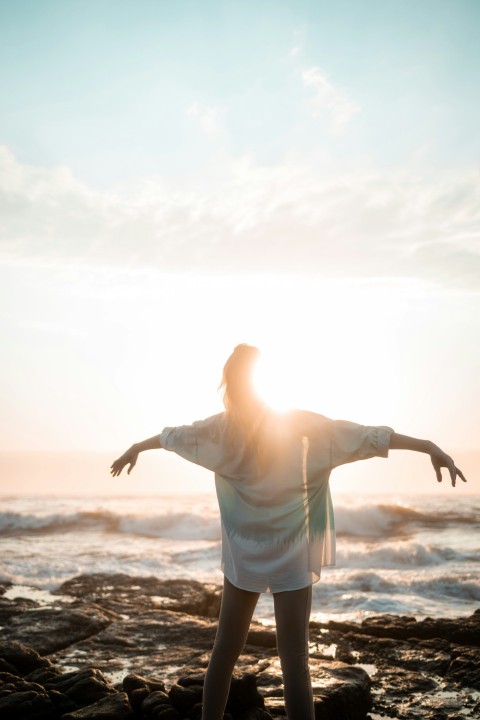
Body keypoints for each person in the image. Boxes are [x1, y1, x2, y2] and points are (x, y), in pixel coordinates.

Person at [110, 343, 466, 720]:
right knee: (295, 661)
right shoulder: (296, 423)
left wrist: (136, 446)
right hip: (292, 551)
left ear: (229, 383)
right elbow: (363, 436)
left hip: (244, 552)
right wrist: (426, 446)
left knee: (224, 653)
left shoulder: (219, 428)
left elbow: (173, 437)